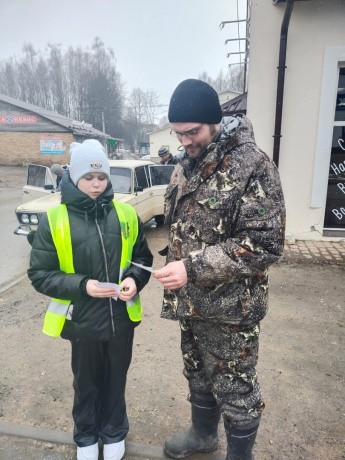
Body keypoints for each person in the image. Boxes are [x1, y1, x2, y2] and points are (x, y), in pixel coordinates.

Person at [152, 79, 285, 460]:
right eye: (178, 134)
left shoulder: (253, 166)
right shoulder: (186, 165)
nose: (185, 141)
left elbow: (264, 244)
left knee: (236, 387)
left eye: (192, 132)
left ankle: (239, 456)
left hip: (231, 310)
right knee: (197, 374)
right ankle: (203, 435)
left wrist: (191, 268)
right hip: (191, 305)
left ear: (215, 121)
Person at [28, 139, 153, 460]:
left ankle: (113, 434)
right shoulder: (54, 219)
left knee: (116, 379)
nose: (96, 185)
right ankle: (85, 436)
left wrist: (132, 280)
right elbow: (40, 274)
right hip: (80, 318)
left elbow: (142, 260)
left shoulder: (126, 214)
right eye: (88, 178)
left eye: (102, 178)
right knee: (86, 383)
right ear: (74, 177)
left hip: (121, 319)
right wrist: (83, 286)